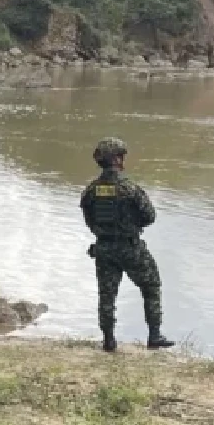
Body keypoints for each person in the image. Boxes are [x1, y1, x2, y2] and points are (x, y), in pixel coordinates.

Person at [79, 137, 175, 353]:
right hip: (131, 248)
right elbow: (149, 217)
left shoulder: (91, 191)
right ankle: (154, 336)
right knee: (151, 286)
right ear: (117, 159)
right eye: (121, 156)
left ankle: (109, 340)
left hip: (103, 248)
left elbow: (89, 221)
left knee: (106, 295)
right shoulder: (130, 189)